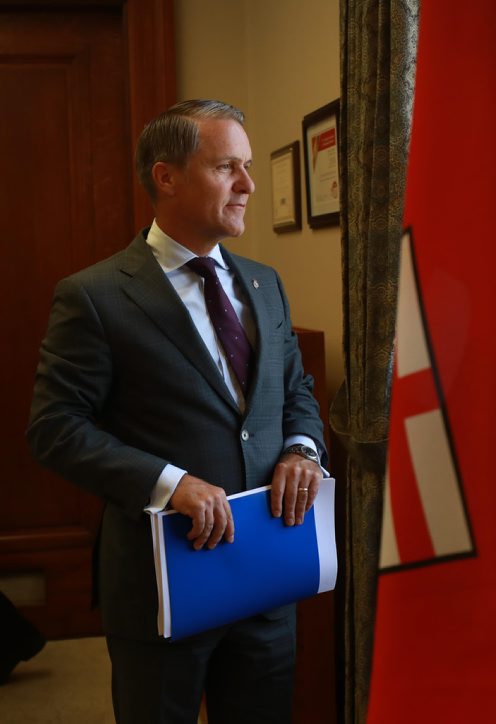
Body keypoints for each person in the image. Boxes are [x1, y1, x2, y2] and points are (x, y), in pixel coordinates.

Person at [27, 100, 327, 724]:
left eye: (246, 167)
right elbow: (55, 430)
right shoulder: (95, 295)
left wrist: (302, 448)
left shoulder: (265, 282)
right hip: (164, 586)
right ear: (167, 177)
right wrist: (171, 483)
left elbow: (296, 389)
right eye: (227, 168)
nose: (247, 184)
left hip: (268, 578)